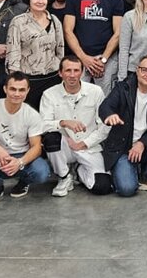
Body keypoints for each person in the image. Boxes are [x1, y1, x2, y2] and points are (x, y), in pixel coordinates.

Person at [99, 55, 147, 197]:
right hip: (123, 148)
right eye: (145, 70)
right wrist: (109, 115)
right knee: (127, 189)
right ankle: (129, 169)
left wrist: (142, 143)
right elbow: (105, 106)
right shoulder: (123, 88)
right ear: (137, 70)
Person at [0, 73, 50, 203]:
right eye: (13, 89)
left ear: (28, 91)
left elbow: (36, 147)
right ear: (5, 89)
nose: (17, 94)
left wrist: (20, 162)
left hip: (20, 155)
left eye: (21, 90)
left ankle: (24, 182)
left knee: (42, 172)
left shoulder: (32, 115)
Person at [41, 55, 113, 196]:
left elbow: (105, 125)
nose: (72, 75)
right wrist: (63, 122)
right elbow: (42, 125)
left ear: (82, 72)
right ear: (60, 73)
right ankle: (64, 176)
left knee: (103, 187)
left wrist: (85, 143)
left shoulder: (96, 92)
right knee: (50, 138)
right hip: (64, 147)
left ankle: (79, 171)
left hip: (89, 146)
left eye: (76, 70)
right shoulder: (49, 94)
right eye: (68, 70)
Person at [63, 0, 125, 95]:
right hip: (80, 58)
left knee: (105, 98)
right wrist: (84, 58)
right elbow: (68, 30)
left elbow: (118, 33)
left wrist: (103, 59)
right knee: (76, 96)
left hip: (106, 59)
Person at [6, 0, 64, 108]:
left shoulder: (54, 20)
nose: (40, 1)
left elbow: (60, 49)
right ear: (29, 0)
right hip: (29, 79)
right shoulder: (18, 21)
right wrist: (15, 79)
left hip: (53, 77)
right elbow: (13, 51)